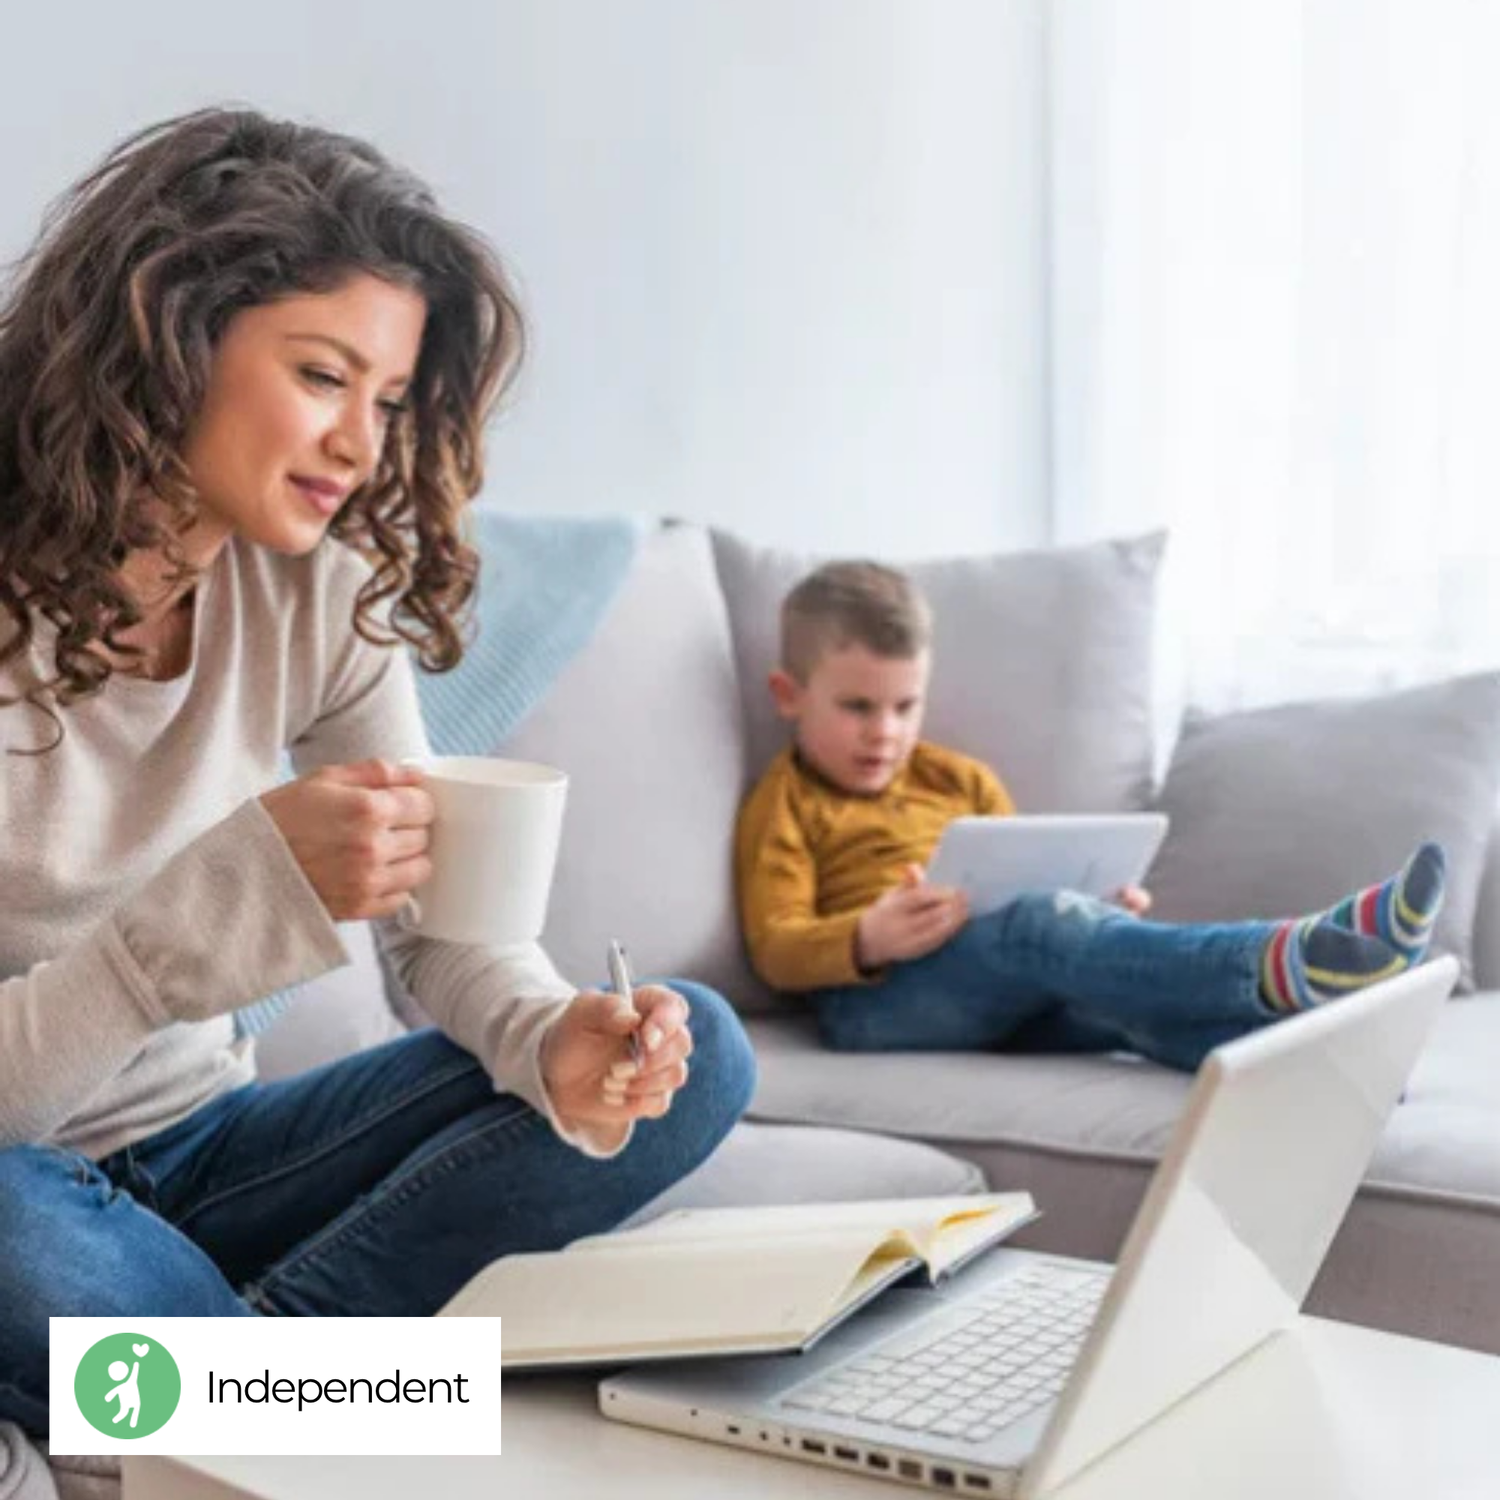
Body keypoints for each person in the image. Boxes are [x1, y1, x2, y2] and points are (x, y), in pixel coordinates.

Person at [0, 107, 756, 1451]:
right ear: (170, 337)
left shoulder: (315, 595)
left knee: (697, 1055)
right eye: (320, 374)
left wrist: (551, 1041)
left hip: (213, 1156)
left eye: (389, 399)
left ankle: (241, 1386)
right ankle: (304, 1405)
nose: (360, 443)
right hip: (18, 1172)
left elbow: (448, 937)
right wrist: (206, 913)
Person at [735, 559, 1446, 1067]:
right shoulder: (789, 800)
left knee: (1117, 1005)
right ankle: (1287, 954)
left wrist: (1095, 911)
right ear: (789, 695)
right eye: (857, 707)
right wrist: (868, 937)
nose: (884, 732)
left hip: (1002, 988)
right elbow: (776, 944)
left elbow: (1015, 884)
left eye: (904, 706)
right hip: (877, 1007)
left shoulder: (959, 779)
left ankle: (1336, 1062)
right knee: (1044, 927)